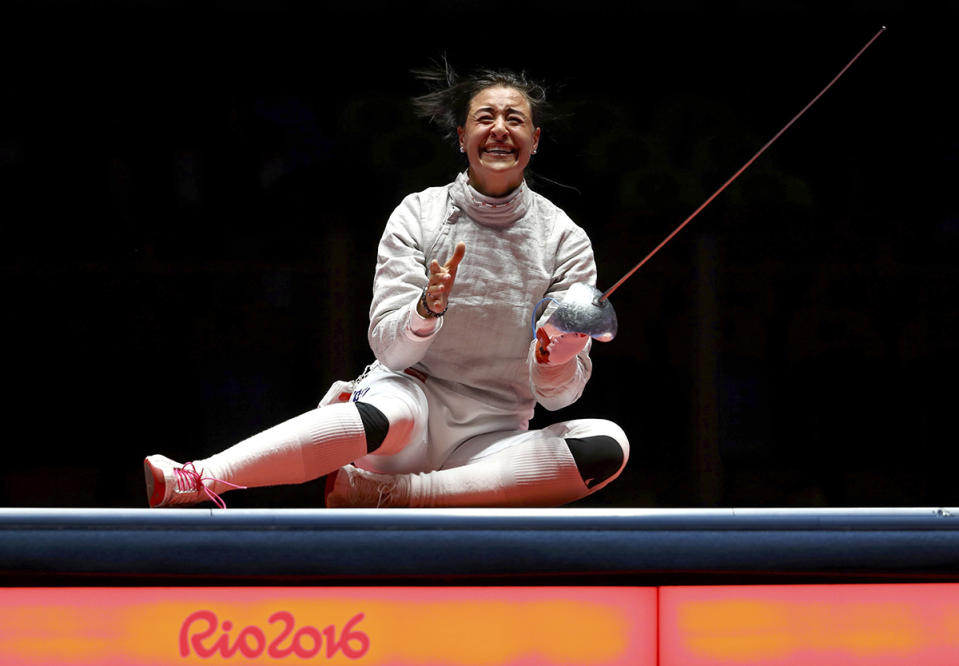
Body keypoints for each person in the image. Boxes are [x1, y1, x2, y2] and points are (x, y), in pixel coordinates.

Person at [144, 64, 629, 508]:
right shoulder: (420, 213)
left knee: (607, 444)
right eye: (485, 118)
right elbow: (391, 352)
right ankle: (198, 477)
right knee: (389, 410)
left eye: (514, 119)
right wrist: (426, 309)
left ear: (535, 139)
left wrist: (555, 357)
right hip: (408, 406)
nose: (499, 129)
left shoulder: (564, 237)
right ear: (462, 136)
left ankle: (394, 495)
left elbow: (559, 398)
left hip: (492, 438)